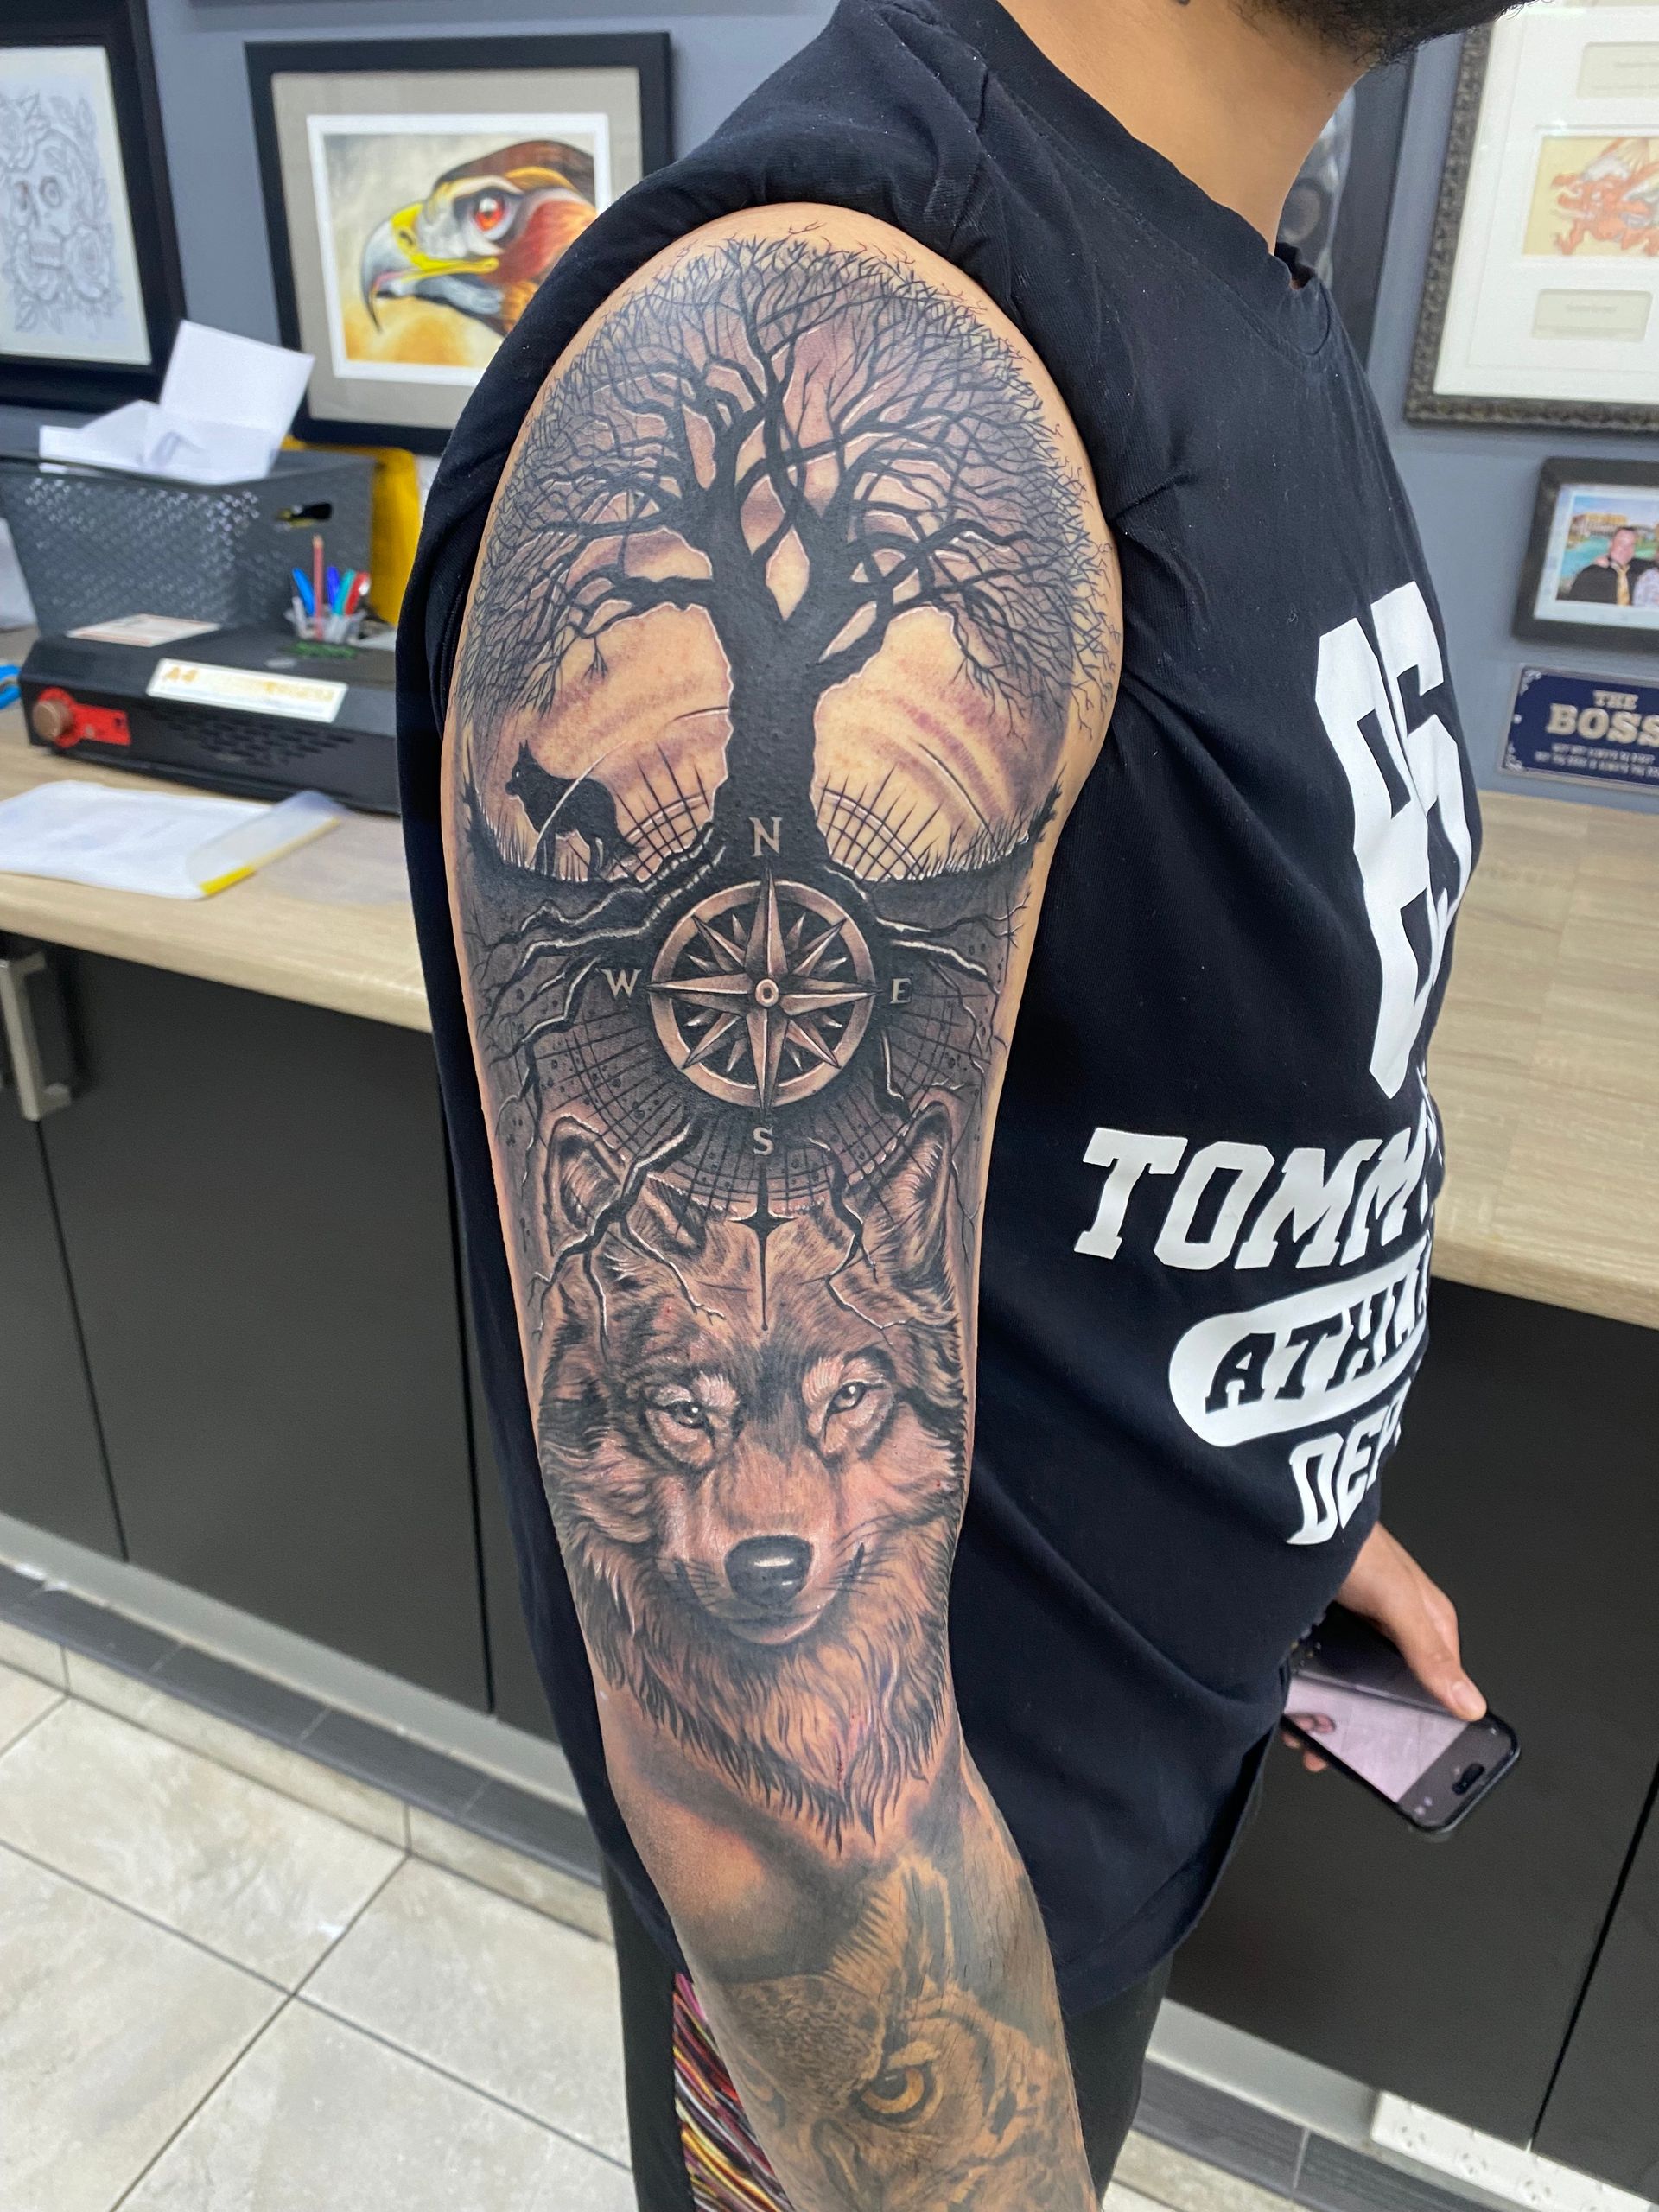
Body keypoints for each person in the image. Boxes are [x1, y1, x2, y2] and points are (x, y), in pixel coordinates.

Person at [397, 0, 1512, 2202]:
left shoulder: (1225, 263)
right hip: (918, 1941)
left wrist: (1268, 1473)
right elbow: (773, 1756)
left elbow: (1135, 1078)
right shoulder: (857, 362)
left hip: (1134, 1754)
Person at [1566, 524, 1657, 607]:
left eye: (1631, 545)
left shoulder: (1640, 568)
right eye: (1621, 543)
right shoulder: (1590, 574)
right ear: (1610, 544)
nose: (1626, 549)